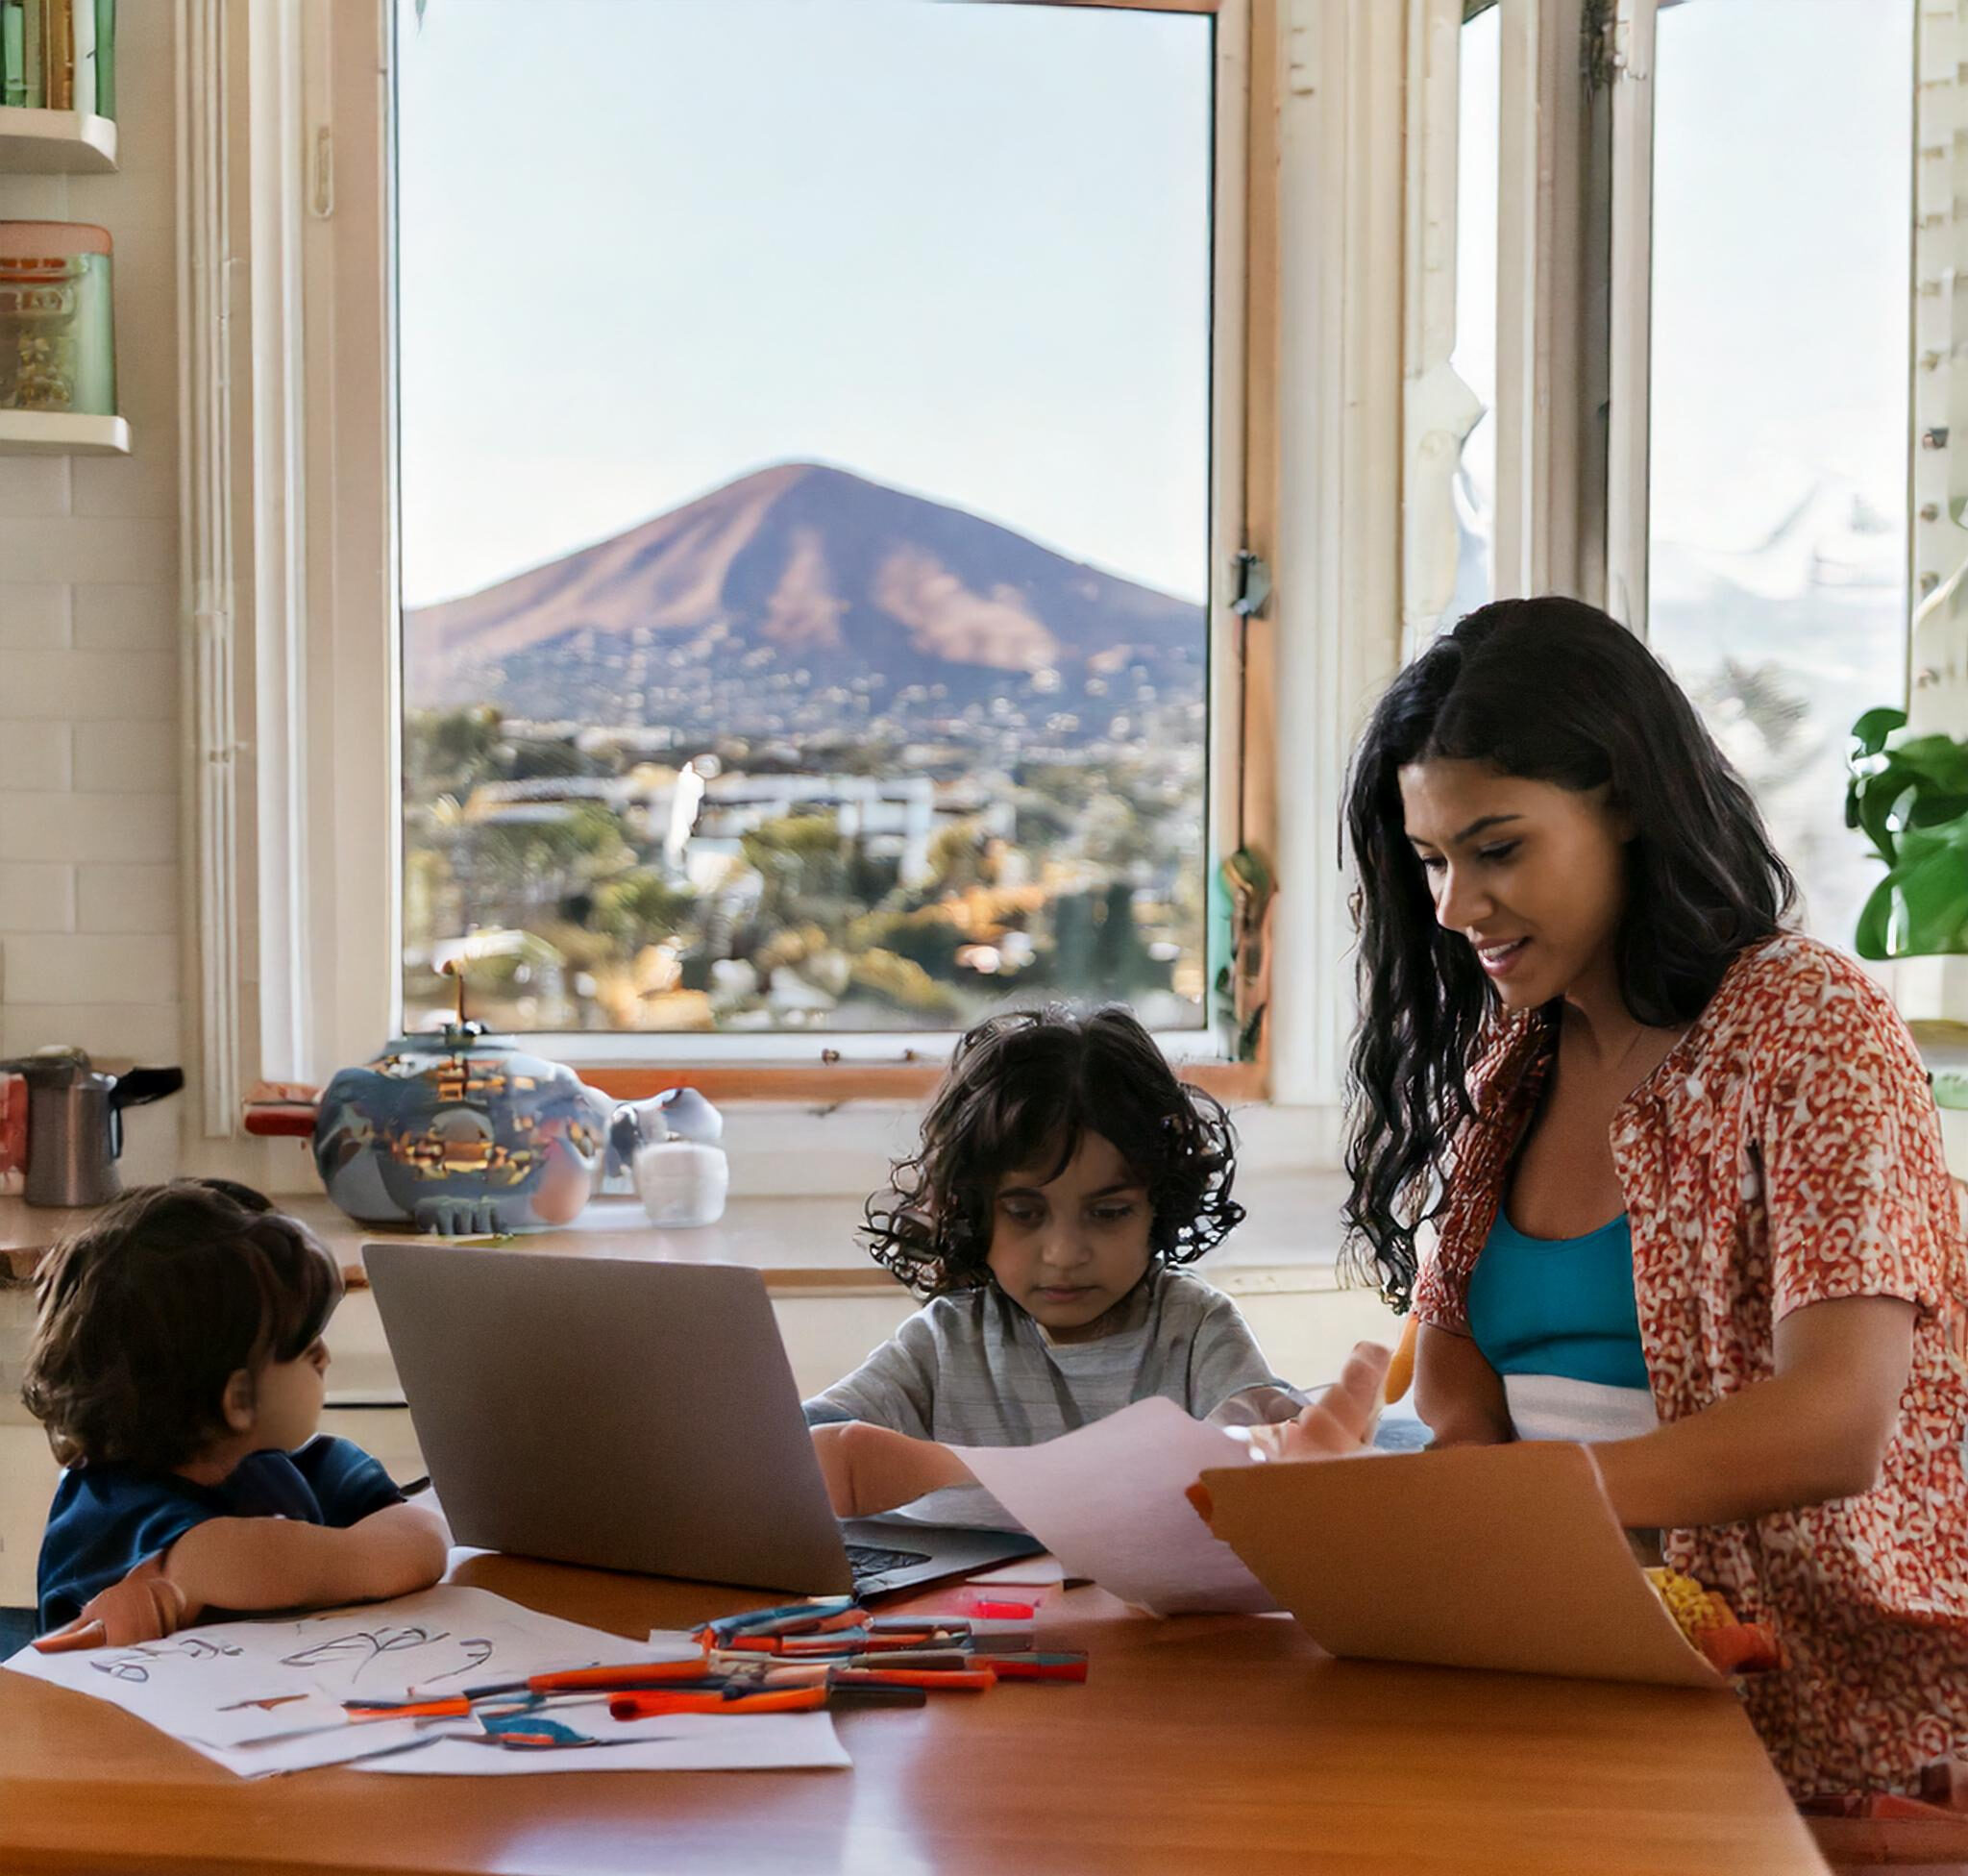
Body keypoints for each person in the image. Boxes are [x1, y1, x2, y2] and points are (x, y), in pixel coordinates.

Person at [1308, 593, 1967, 1800]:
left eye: (1497, 848)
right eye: (1432, 860)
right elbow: (1458, 1404)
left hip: (1820, 1722)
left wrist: (1520, 1515)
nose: (1455, 906)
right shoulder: (1509, 1068)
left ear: (1626, 804)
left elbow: (1836, 1420)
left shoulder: (1809, 1025)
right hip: (1574, 1673)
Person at [804, 1005, 1301, 1519]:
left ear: (1159, 1206)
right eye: (1024, 1213)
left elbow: (1257, 1453)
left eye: (1108, 1213)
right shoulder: (945, 1341)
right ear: (973, 1212)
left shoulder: (1195, 1328)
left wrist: (949, 1471)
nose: (1064, 1254)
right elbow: (803, 1442)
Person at [23, 1179, 448, 1647]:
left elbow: (425, 1537)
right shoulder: (106, 1514)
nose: (325, 1357)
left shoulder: (302, 1465)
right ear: (239, 1400)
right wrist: (190, 1568)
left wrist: (359, 1555)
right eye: (306, 1348)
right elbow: (235, 1557)